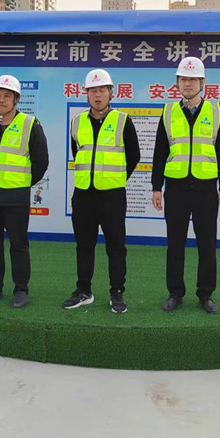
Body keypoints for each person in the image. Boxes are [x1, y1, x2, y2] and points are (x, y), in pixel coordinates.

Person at [151, 57, 220, 314]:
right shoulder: (168, 112)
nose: (188, 83)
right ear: (177, 83)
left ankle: (205, 294)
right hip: (175, 189)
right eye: (183, 79)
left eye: (193, 79)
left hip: (206, 189)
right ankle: (175, 292)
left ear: (202, 82)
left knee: (207, 245)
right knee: (175, 244)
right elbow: (159, 152)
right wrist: (156, 187)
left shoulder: (215, 112)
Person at [64, 68, 141, 313]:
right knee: (84, 245)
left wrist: (114, 178)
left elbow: (134, 156)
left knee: (116, 246)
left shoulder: (123, 120)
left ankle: (117, 292)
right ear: (86, 94)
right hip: (83, 194)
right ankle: (83, 290)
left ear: (111, 93)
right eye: (93, 91)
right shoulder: (77, 122)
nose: (97, 95)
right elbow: (77, 153)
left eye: (102, 90)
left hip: (112, 195)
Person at [0, 75, 49, 307]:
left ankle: (21, 289)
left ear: (16, 99)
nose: (1, 100)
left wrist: (21, 181)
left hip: (15, 197)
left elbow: (41, 162)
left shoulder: (30, 124)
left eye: (7, 96)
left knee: (18, 245)